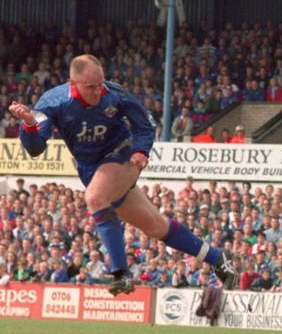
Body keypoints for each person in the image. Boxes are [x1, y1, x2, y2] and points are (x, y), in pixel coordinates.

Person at [8, 55, 237, 296]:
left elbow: (145, 125)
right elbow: (35, 149)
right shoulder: (53, 102)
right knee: (156, 226)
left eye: (101, 84)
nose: (98, 91)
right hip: (90, 168)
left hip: (122, 155)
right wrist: (29, 125)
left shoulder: (115, 94)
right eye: (90, 87)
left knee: (95, 198)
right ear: (72, 82)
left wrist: (141, 150)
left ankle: (121, 273)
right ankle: (218, 258)